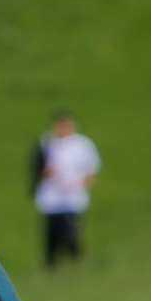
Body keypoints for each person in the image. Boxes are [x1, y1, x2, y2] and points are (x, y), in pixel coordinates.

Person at [32, 112, 100, 269]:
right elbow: (36, 169)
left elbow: (91, 168)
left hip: (73, 195)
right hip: (51, 196)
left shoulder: (81, 144)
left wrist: (80, 183)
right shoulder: (46, 144)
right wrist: (45, 172)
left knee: (70, 228)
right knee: (51, 230)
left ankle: (75, 257)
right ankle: (51, 262)